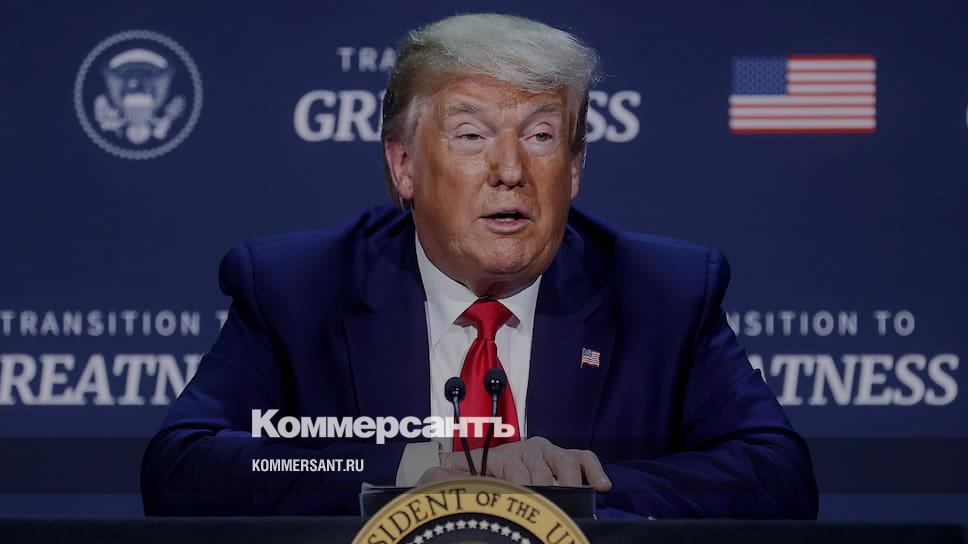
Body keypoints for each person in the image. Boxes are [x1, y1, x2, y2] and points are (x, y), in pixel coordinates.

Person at [141, 13, 818, 518]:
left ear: (574, 169)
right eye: (471, 135)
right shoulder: (298, 290)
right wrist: (420, 470)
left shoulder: (661, 295)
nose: (510, 170)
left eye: (541, 136)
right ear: (404, 166)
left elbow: (778, 476)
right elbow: (183, 467)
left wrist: (566, 491)